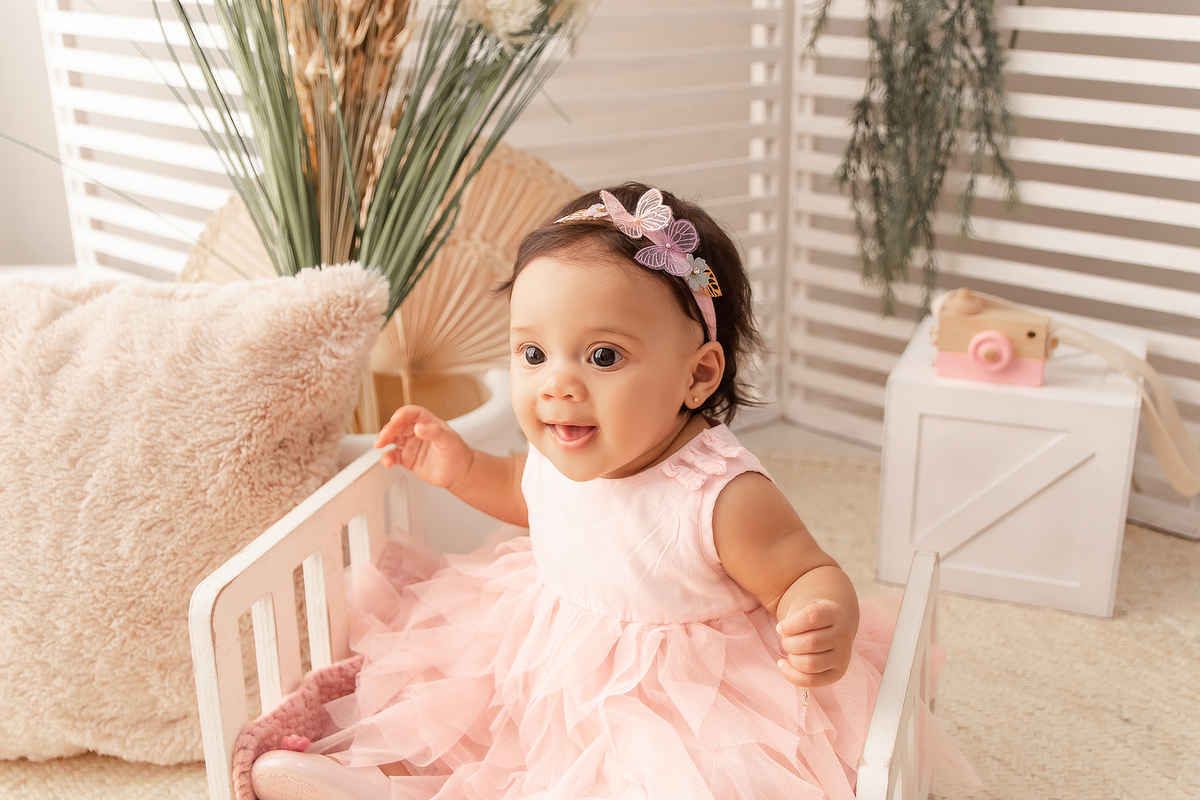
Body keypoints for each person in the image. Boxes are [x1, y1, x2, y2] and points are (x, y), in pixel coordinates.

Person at [250, 183, 978, 800]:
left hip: (673, 701)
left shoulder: (720, 495)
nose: (557, 383)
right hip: (541, 651)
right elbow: (530, 496)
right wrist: (463, 468)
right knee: (457, 720)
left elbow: (803, 570)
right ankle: (386, 782)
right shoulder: (563, 446)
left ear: (697, 375)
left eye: (603, 355)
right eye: (534, 352)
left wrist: (821, 616)